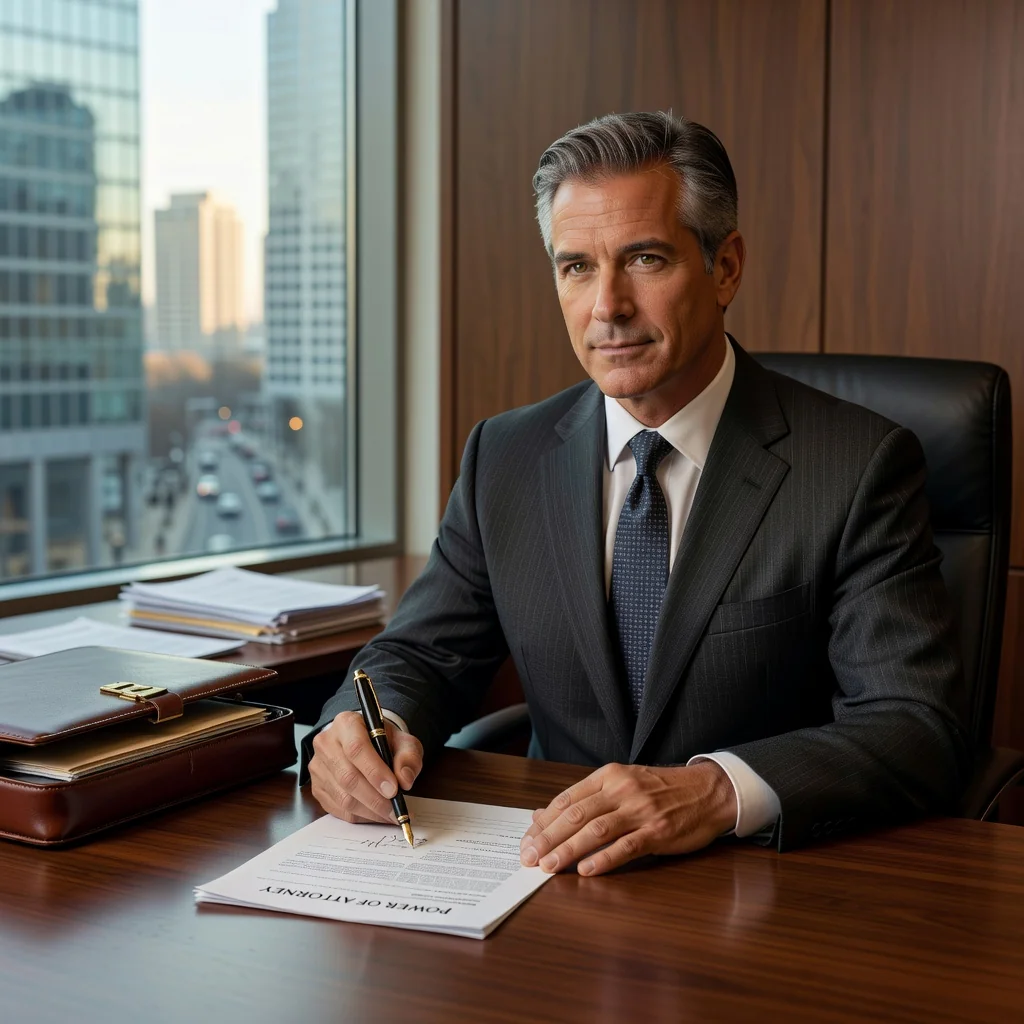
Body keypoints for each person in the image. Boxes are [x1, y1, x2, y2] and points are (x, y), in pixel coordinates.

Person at [305, 111, 968, 876]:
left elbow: (915, 725)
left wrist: (714, 790)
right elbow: (422, 653)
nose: (606, 307)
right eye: (576, 266)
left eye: (644, 259)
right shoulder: (506, 456)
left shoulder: (855, 466)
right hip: (547, 881)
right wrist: (367, 725)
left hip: (762, 893)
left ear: (725, 269)